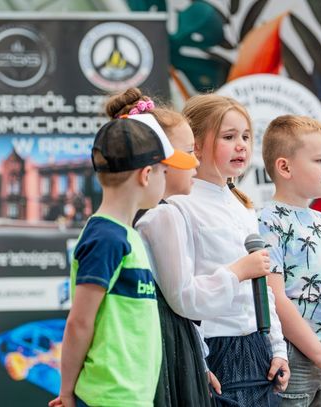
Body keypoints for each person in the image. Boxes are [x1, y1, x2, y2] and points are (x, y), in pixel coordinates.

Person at [48, 113, 198, 407]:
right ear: (146, 175)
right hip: (108, 397)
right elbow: (80, 321)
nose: (165, 178)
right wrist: (66, 392)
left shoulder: (126, 235)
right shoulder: (106, 237)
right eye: (163, 171)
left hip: (131, 396)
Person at [154, 93, 290, 406]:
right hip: (214, 347)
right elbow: (179, 298)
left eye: (246, 136)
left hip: (258, 349)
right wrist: (198, 363)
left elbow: (263, 289)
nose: (241, 145)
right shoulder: (179, 206)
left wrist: (277, 348)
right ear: (196, 146)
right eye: (229, 137)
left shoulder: (244, 207)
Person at [106, 87, 214, 407]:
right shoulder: (161, 215)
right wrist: (238, 274)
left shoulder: (139, 217)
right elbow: (184, 298)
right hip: (164, 346)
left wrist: (199, 362)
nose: (196, 162)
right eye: (188, 152)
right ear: (158, 161)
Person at [258, 115, 321, 407]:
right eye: (320, 160)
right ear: (285, 167)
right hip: (295, 357)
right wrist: (319, 354)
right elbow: (276, 297)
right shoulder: (267, 221)